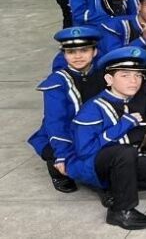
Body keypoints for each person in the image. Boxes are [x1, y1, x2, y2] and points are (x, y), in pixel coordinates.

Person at [69, 46, 146, 230]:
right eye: (125, 75)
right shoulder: (93, 108)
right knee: (125, 152)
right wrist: (123, 125)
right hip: (91, 165)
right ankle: (120, 211)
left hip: (124, 161)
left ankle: (113, 189)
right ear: (109, 79)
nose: (133, 81)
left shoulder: (139, 100)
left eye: (138, 76)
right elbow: (84, 151)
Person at [28, 26, 105, 193]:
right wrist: (62, 154)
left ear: (95, 52)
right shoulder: (56, 81)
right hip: (66, 132)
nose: (77, 56)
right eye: (71, 52)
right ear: (64, 55)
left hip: (93, 130)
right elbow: (55, 121)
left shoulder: (104, 76)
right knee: (64, 150)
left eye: (84, 50)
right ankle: (57, 172)